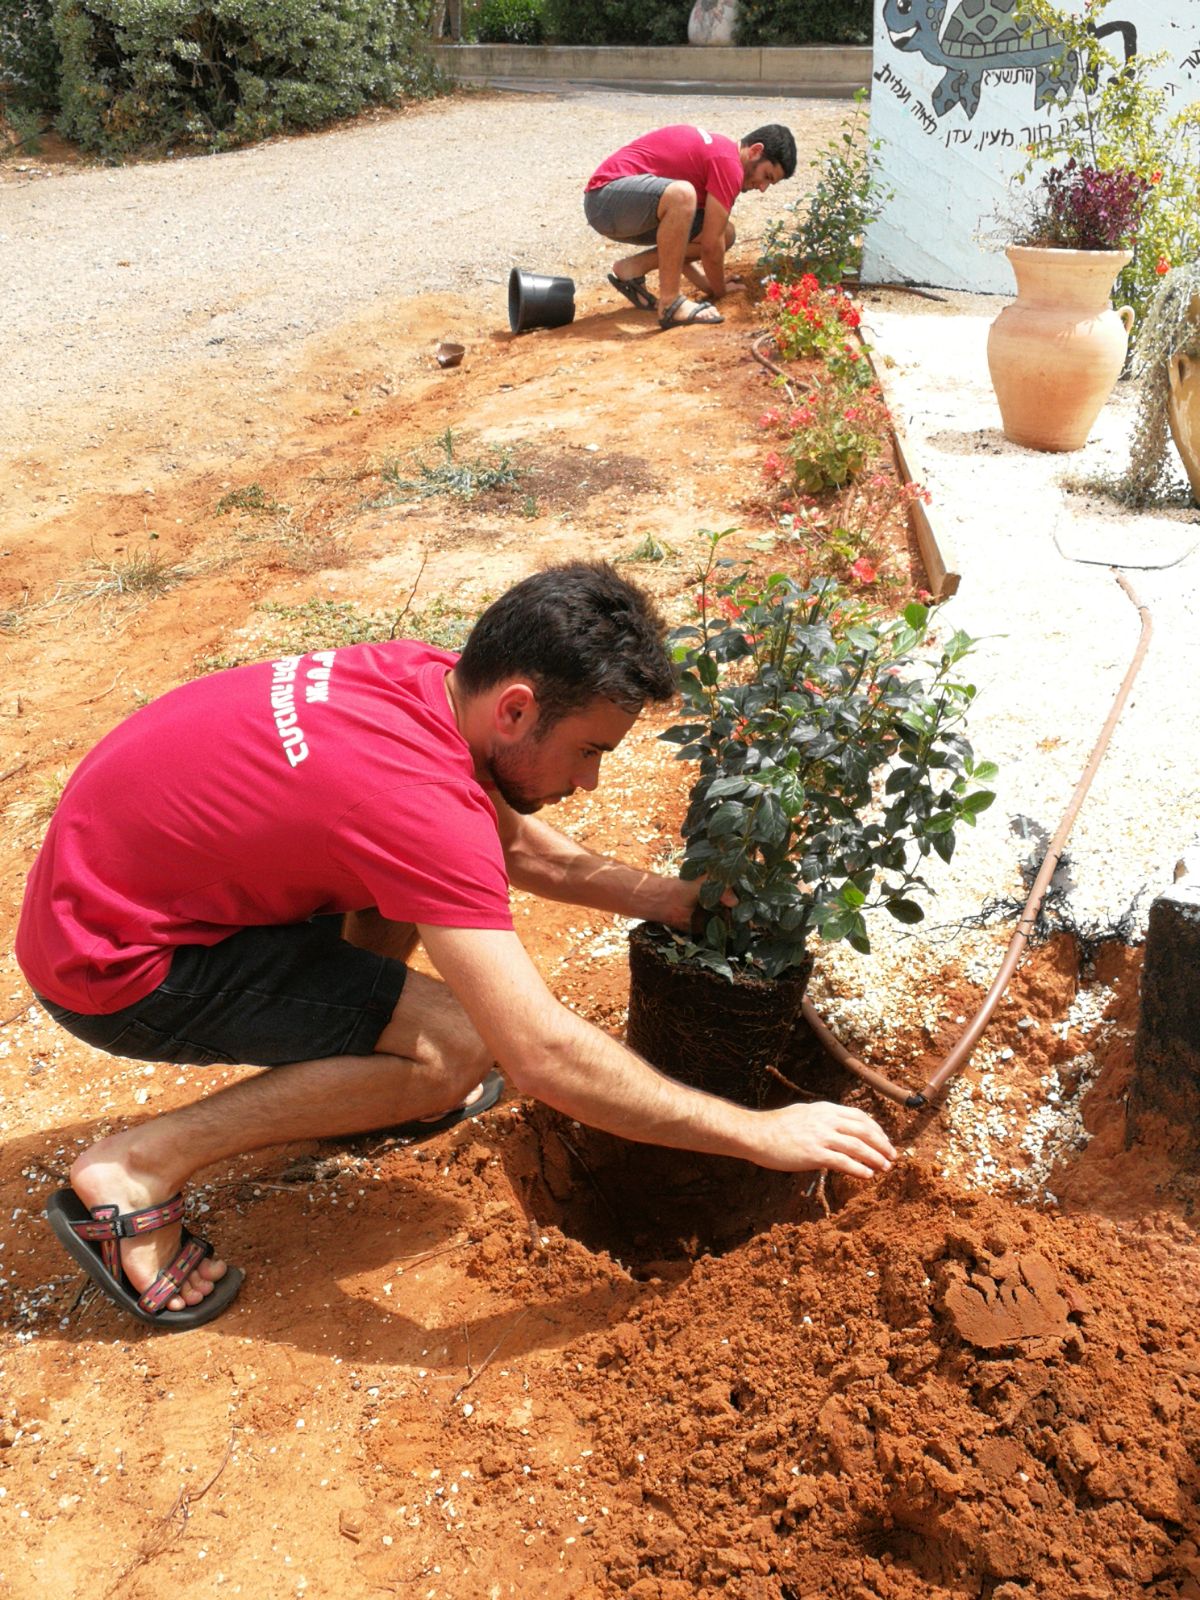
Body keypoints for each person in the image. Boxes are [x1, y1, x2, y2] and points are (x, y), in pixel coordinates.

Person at [17, 562, 895, 1331]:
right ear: (516, 707)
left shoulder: (427, 680)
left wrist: (674, 901)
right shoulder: (415, 801)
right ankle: (135, 1169)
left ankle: (358, 1065)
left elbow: (503, 841)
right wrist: (759, 1133)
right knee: (460, 1048)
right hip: (112, 962)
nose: (589, 782)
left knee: (401, 905)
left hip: (126, 889)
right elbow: (542, 1056)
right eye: (589, 751)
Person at [584, 122, 796, 331]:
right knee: (683, 196)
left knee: (726, 233)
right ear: (755, 151)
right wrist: (720, 292)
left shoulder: (721, 156)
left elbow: (684, 235)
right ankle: (670, 304)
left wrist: (707, 284)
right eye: (766, 176)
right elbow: (711, 248)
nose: (762, 188)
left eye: (770, 183)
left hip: (622, 207)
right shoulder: (728, 162)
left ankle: (631, 269)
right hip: (605, 200)